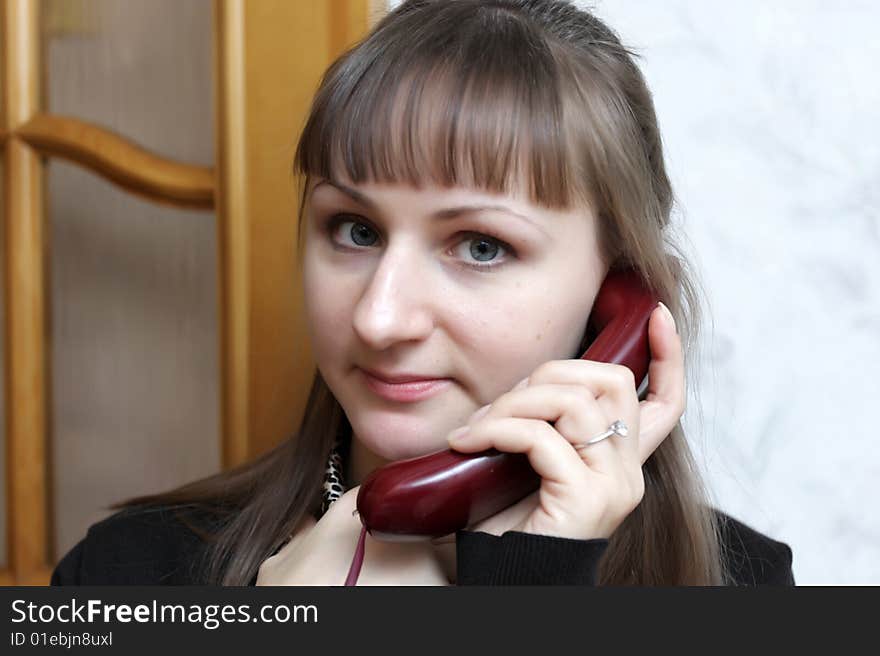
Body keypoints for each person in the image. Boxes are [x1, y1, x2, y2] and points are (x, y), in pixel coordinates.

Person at [51, 0, 793, 587]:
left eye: (480, 246)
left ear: (618, 296)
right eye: (355, 230)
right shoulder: (125, 574)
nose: (379, 317)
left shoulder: (746, 584)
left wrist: (531, 590)